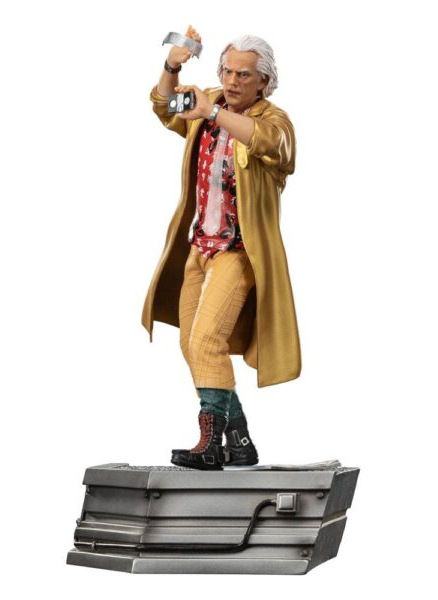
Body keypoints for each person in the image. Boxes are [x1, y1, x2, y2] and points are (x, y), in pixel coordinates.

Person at [142, 26, 301, 470]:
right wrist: (172, 66)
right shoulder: (208, 101)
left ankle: (210, 444)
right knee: (192, 345)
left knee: (207, 339)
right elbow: (164, 106)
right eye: (227, 71)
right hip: (199, 246)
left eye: (243, 75)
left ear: (263, 80)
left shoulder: (274, 121)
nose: (232, 81)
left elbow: (271, 144)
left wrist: (212, 112)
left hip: (239, 250)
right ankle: (240, 440)